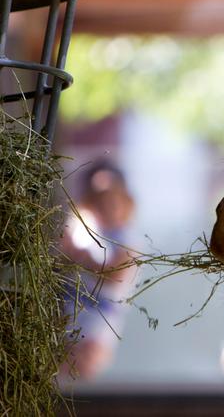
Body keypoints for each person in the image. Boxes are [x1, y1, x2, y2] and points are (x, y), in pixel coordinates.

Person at [60, 159, 136, 380]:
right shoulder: (77, 228)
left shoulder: (125, 240)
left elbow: (116, 274)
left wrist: (82, 260)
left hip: (97, 322)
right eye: (98, 199)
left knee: (81, 368)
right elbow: (62, 257)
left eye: (112, 200)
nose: (105, 208)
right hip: (66, 314)